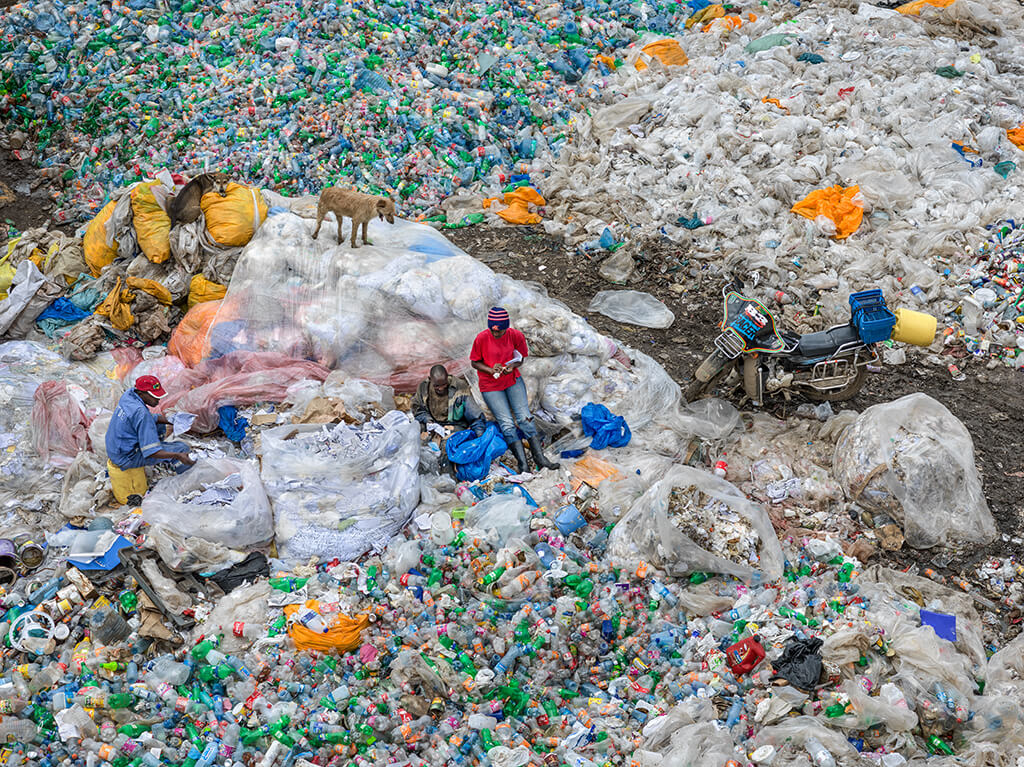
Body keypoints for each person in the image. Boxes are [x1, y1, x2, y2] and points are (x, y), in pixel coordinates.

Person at [470, 307, 559, 474]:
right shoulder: (481, 338)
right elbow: (475, 362)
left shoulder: (515, 336)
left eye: (500, 331)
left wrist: (512, 366)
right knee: (507, 424)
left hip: (512, 380)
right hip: (490, 385)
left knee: (525, 418)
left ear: (506, 327)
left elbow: (520, 358)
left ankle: (540, 458)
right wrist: (490, 370)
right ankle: (522, 464)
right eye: (493, 331)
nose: (496, 334)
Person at [106, 375, 195, 474]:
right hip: (126, 458)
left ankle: (156, 446)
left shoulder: (129, 395)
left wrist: (174, 420)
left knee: (158, 423)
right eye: (155, 397)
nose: (158, 400)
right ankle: (184, 474)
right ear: (141, 393)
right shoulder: (142, 413)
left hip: (115, 450)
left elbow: (148, 418)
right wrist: (178, 455)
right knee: (182, 448)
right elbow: (152, 452)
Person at [411, 364, 486, 440]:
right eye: (436, 386)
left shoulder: (460, 386)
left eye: (444, 384)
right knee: (415, 430)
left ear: (447, 378)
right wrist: (428, 420)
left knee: (453, 439)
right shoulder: (423, 388)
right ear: (430, 380)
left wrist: (480, 436)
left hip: (454, 425)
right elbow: (418, 410)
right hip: (433, 424)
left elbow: (474, 415)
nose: (441, 388)